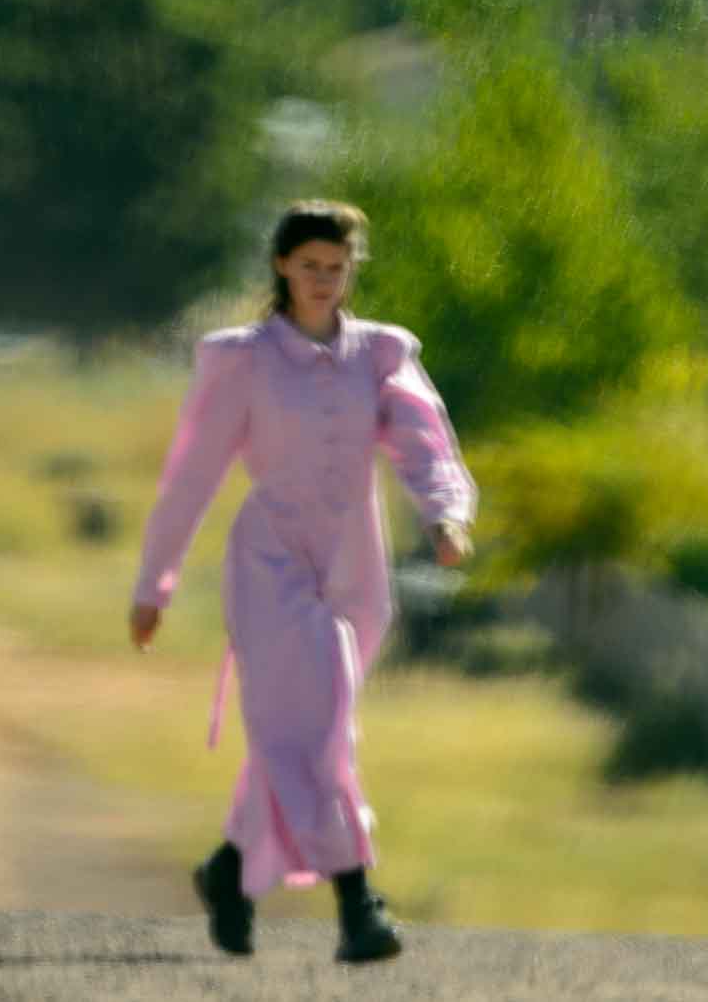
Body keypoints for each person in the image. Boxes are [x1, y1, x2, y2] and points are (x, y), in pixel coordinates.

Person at [127, 200, 477, 964]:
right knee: (320, 735)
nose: (324, 281)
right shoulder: (243, 358)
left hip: (356, 566)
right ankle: (358, 903)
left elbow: (425, 440)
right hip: (270, 563)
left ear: (351, 271)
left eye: (337, 267)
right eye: (310, 266)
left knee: (298, 734)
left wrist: (445, 515)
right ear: (282, 266)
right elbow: (190, 475)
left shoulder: (380, 354)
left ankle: (227, 872)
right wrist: (154, 582)